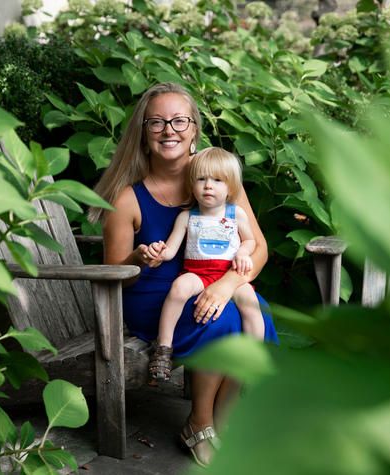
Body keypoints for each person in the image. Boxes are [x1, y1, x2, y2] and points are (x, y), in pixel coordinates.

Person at [89, 82, 278, 468]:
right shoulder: (128, 198)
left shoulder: (218, 179)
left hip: (214, 284)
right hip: (155, 300)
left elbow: (259, 249)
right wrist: (138, 258)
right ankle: (200, 422)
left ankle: (221, 420)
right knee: (220, 320)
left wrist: (227, 284)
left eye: (179, 120)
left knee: (255, 314)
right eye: (156, 122)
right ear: (143, 134)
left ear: (194, 130)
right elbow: (112, 278)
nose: (168, 130)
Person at [142, 147, 266, 382]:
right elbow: (171, 250)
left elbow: (251, 240)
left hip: (229, 273)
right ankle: (163, 349)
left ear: (230, 186)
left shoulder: (235, 214)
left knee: (250, 303)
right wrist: (158, 251)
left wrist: (243, 252)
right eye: (201, 179)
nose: (208, 186)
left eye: (217, 180)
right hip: (197, 273)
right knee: (178, 288)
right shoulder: (187, 217)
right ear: (192, 184)